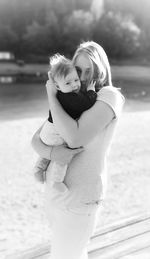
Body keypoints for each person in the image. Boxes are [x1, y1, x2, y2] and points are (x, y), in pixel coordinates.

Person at [31, 41, 125, 259]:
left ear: (101, 70)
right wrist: (54, 154)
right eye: (78, 70)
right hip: (57, 195)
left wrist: (52, 96)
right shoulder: (70, 98)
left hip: (80, 198)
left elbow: (74, 138)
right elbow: (36, 140)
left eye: (88, 71)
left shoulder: (109, 96)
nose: (81, 78)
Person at [34, 53, 97, 195]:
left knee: (49, 149)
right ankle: (57, 181)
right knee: (62, 156)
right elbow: (85, 104)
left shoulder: (60, 94)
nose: (75, 84)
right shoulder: (69, 97)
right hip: (56, 132)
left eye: (76, 79)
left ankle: (39, 168)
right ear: (57, 85)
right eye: (68, 83)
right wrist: (91, 92)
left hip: (48, 130)